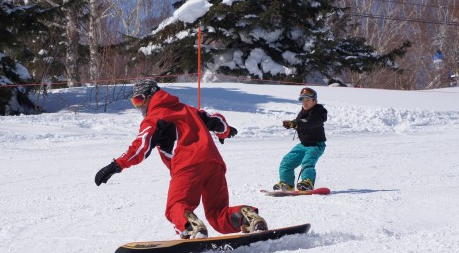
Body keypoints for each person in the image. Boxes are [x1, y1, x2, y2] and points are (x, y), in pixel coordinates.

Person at [94, 79, 268, 239]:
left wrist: (115, 165)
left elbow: (141, 146)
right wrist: (227, 131)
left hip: (187, 165)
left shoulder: (155, 117)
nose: (139, 107)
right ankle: (246, 217)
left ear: (151, 95)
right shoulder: (187, 109)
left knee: (176, 207)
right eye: (134, 102)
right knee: (217, 214)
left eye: (139, 100)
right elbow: (215, 119)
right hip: (214, 163)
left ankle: (191, 229)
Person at [274, 87, 327, 192]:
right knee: (286, 162)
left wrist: (296, 123)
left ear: (314, 101)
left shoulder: (319, 113)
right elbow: (300, 121)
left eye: (308, 100)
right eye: (303, 100)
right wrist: (292, 123)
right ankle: (286, 183)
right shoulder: (303, 112)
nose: (305, 103)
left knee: (307, 162)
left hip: (316, 145)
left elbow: (310, 122)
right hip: (303, 145)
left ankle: (307, 183)